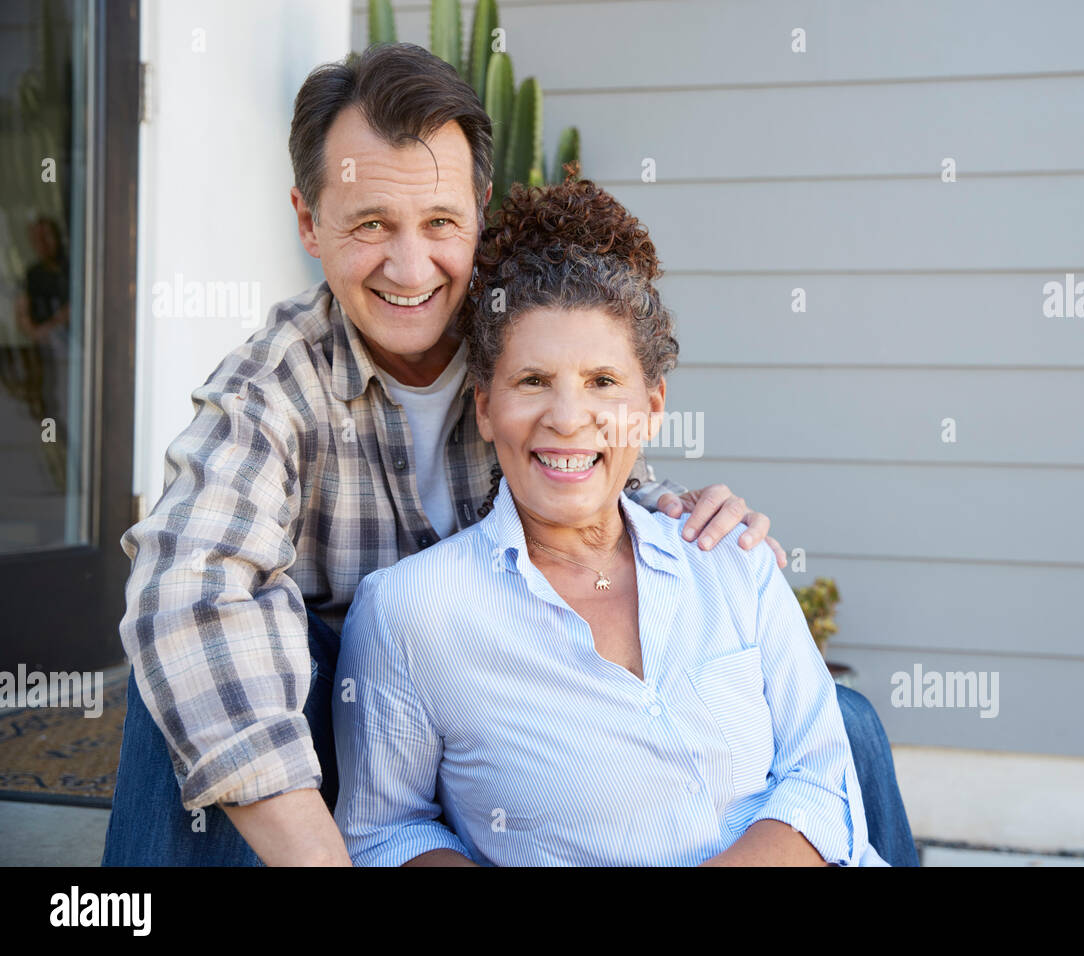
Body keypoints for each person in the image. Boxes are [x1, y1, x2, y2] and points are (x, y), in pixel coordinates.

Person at [103, 42, 916, 867]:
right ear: (310, 223)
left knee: (840, 725)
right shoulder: (271, 390)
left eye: (441, 223)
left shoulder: (522, 340)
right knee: (193, 658)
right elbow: (187, 583)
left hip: (507, 731)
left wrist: (673, 508)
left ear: (479, 211)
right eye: (371, 224)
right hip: (338, 740)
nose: (410, 266)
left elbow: (587, 448)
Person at [333, 179, 890, 866]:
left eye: (603, 382)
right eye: (533, 381)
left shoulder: (728, 558)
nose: (568, 418)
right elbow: (388, 832)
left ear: (652, 406)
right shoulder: (411, 613)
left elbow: (823, 780)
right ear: (484, 406)